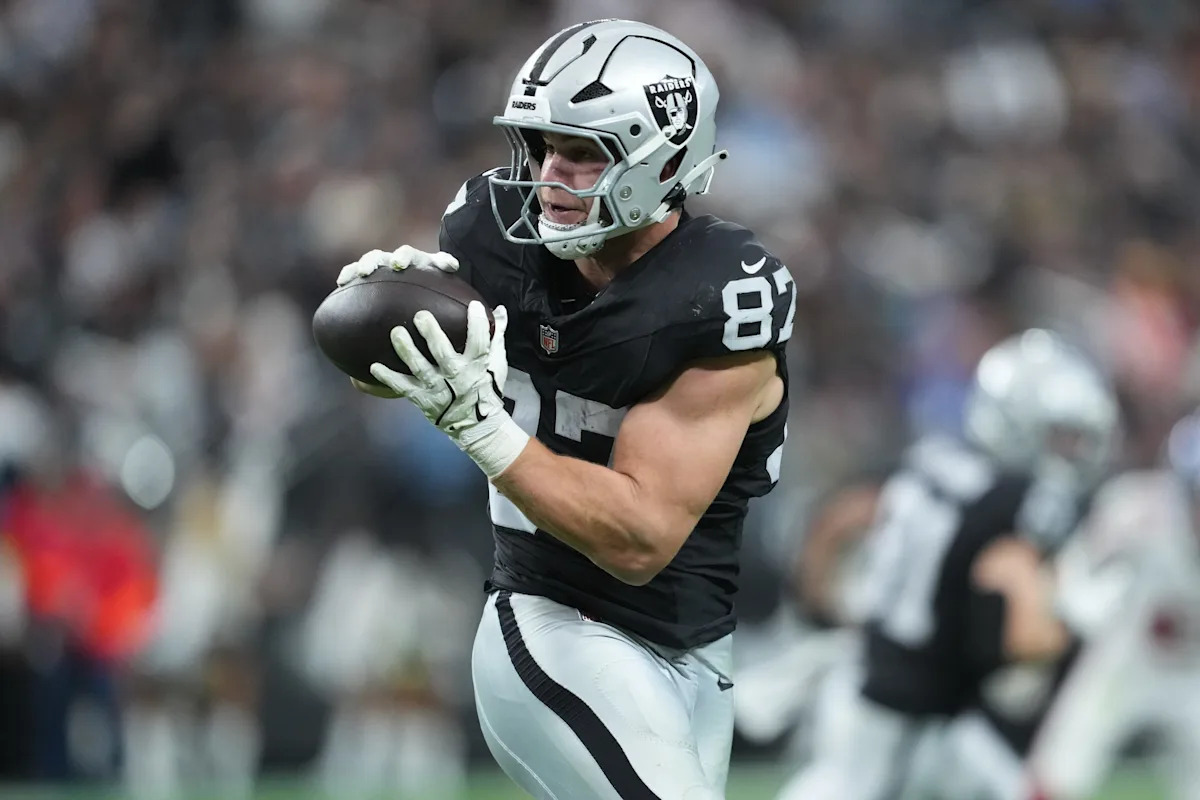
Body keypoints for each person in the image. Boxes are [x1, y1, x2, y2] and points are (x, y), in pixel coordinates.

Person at [336, 19, 794, 800]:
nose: (551, 174)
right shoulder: (490, 236)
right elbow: (392, 377)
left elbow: (640, 536)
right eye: (543, 147)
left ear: (665, 160)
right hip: (553, 624)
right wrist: (392, 338)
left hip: (696, 650)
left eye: (584, 152)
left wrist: (481, 427)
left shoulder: (718, 297)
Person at [776, 329, 1121, 800]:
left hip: (874, 676)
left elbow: (842, 518)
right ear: (1017, 424)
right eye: (1059, 437)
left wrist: (818, 606)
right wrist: (1080, 627)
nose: (1071, 455)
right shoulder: (1012, 501)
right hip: (902, 705)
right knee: (853, 788)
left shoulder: (932, 459)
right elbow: (1029, 635)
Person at [1027, 410, 1200, 800]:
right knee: (1061, 764)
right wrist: (1086, 606)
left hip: (1196, 671)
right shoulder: (1138, 510)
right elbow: (1077, 568)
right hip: (1130, 656)